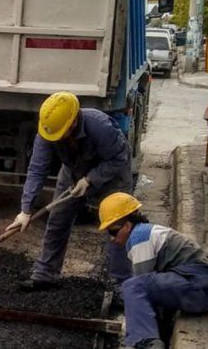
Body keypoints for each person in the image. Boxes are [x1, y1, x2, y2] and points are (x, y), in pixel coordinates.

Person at [8, 91, 133, 291]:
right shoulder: (49, 131)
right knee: (58, 220)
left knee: (117, 227)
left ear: (74, 122)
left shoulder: (99, 126)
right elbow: (37, 169)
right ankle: (45, 274)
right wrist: (26, 210)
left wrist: (91, 179)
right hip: (73, 171)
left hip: (111, 173)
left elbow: (119, 158)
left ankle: (121, 286)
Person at [99, 193, 208, 349]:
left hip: (197, 289)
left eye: (112, 232)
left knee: (132, 287)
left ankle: (146, 342)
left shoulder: (140, 238)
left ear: (126, 226)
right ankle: (156, 339)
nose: (112, 238)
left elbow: (140, 288)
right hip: (201, 292)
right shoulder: (149, 232)